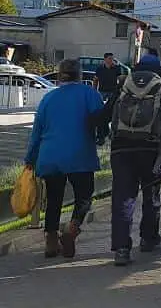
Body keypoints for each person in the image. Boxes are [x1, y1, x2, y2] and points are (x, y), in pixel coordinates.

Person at [100, 47, 161, 266]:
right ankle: (148, 238)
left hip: (121, 148)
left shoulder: (127, 82)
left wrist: (99, 133)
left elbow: (107, 112)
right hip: (152, 150)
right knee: (151, 196)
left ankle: (122, 249)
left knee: (123, 198)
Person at [23, 58, 106, 258]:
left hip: (50, 156)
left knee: (54, 199)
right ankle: (72, 229)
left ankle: (51, 242)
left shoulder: (48, 99)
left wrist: (30, 159)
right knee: (84, 196)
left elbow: (37, 132)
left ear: (59, 76)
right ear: (80, 75)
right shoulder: (90, 94)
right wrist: (101, 138)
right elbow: (101, 122)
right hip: (80, 155)